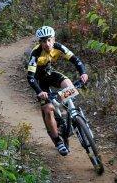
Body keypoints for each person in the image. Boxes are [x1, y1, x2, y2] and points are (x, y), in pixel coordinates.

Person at [26, 26, 88, 155]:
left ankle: (70, 110)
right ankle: (58, 141)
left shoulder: (59, 47)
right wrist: (39, 92)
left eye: (49, 40)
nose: (47, 44)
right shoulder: (35, 53)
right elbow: (30, 77)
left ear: (53, 39)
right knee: (48, 110)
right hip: (39, 81)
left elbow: (75, 60)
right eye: (43, 41)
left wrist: (83, 73)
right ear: (40, 42)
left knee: (69, 86)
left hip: (49, 74)